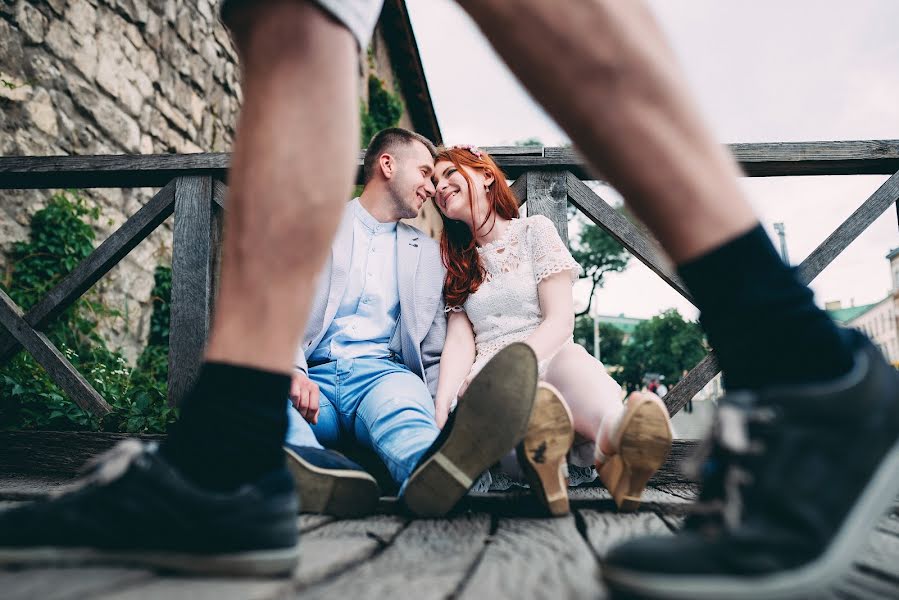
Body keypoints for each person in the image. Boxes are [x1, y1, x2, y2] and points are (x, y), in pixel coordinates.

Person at [0, 1, 895, 598]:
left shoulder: (447, 254)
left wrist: (443, 390)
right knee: (295, 20)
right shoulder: (439, 256)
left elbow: (476, 329)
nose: (439, 186)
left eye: (451, 177)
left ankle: (801, 365)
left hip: (444, 371)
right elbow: (456, 333)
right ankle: (229, 455)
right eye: (433, 173)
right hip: (340, 376)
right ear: (388, 166)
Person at [279, 127, 539, 519]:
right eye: (424, 173)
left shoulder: (428, 254)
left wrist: (442, 413)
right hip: (311, 379)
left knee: (407, 418)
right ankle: (309, 468)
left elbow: (434, 348)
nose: (431, 188)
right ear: (388, 164)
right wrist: (293, 372)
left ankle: (430, 474)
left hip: (381, 378)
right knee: (268, 400)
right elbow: (277, 310)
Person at [431, 145, 672, 514]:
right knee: (513, 405)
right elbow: (460, 341)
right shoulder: (457, 262)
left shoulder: (534, 231)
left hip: (546, 351)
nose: (439, 186)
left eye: (450, 174)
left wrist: (518, 367)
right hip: (490, 375)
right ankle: (555, 465)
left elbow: (559, 321)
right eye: (433, 182)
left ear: (485, 175)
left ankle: (620, 442)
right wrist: (442, 407)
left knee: (570, 362)